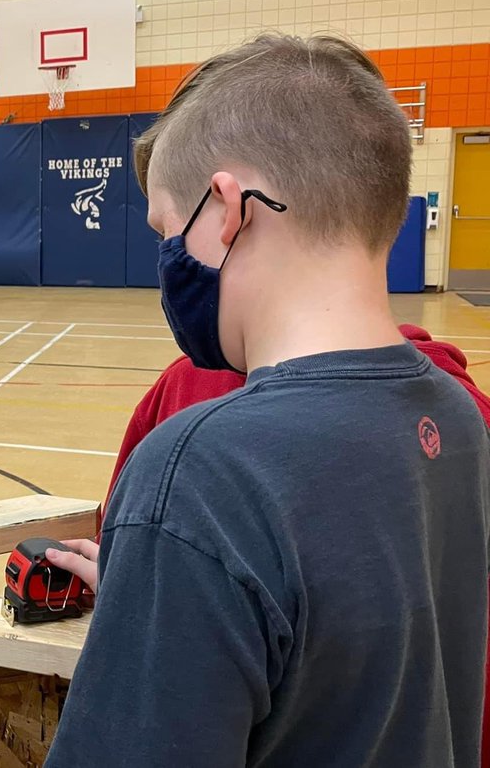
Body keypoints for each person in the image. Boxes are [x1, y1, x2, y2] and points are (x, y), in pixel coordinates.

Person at [45, 34, 490, 767]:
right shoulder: (456, 417)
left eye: (167, 230)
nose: (168, 259)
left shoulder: (202, 470)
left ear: (227, 211)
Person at [88, 329, 490, 768]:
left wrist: (134, 584)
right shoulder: (463, 413)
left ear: (224, 253)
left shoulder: (185, 451)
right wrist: (131, 574)